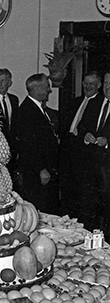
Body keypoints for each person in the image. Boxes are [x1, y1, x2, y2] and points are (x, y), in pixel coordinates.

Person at [59, 71, 103, 218]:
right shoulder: (75, 101)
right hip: (68, 158)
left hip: (85, 161)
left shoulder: (100, 104)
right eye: (85, 83)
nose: (87, 86)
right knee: (68, 201)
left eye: (92, 84)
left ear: (99, 85)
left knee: (84, 204)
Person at [16, 73, 59, 214]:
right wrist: (41, 169)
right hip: (37, 173)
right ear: (37, 88)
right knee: (40, 209)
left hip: (41, 170)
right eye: (46, 86)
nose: (49, 90)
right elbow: (29, 145)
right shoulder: (27, 111)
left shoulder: (36, 108)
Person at [77, 71, 110, 234]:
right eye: (106, 83)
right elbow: (82, 125)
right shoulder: (95, 103)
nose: (108, 87)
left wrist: (108, 142)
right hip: (90, 168)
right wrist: (85, 135)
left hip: (107, 170)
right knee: (89, 209)